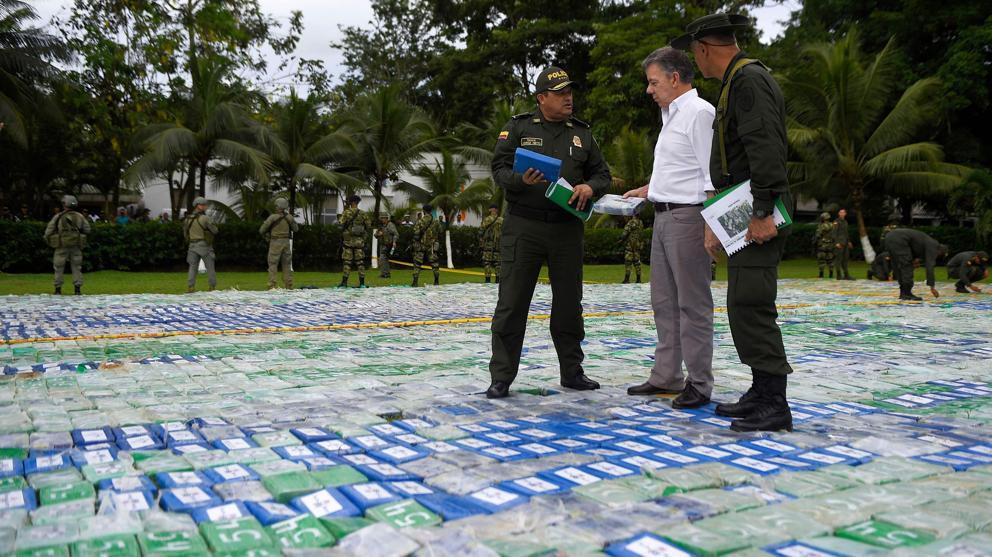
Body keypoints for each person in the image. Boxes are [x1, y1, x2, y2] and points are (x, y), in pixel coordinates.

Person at [673, 13, 793, 431]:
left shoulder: (747, 80)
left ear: (704, 49)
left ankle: (774, 402)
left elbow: (766, 147)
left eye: (695, 52)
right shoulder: (736, 82)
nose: (696, 60)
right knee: (743, 302)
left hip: (757, 210)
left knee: (753, 303)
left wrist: (761, 212)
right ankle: (762, 390)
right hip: (743, 208)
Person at [486, 65, 612, 399]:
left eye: (570, 92)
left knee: (569, 305)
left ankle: (572, 372)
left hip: (566, 228)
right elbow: (497, 168)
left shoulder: (582, 134)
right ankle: (501, 377)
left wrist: (589, 187)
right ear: (542, 98)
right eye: (560, 93)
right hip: (523, 227)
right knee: (512, 303)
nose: (568, 98)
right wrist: (519, 180)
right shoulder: (519, 127)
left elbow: (603, 174)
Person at [621, 47, 715, 408]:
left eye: (653, 82)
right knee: (664, 302)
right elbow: (682, 169)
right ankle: (667, 375)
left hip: (688, 218)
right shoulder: (671, 115)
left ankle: (699, 382)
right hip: (663, 215)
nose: (649, 90)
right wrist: (651, 189)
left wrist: (709, 225)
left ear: (675, 79)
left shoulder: (698, 113)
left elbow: (709, 175)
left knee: (693, 303)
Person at [44, 195, 91, 295]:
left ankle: (58, 289)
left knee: (58, 267)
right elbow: (87, 229)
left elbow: (49, 230)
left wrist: (48, 239)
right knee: (77, 267)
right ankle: (77, 289)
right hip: (76, 246)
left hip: (61, 246)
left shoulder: (58, 216)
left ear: (65, 204)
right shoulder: (80, 216)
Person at [882, 228, 947, 300]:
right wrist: (932, 286)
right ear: (940, 251)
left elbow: (913, 250)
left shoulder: (925, 241)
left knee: (898, 265)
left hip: (889, 237)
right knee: (906, 266)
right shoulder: (934, 245)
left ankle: (903, 293)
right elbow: (930, 266)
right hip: (900, 239)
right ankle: (906, 293)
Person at [260, 198, 298, 289]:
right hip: (286, 243)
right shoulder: (289, 217)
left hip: (275, 242)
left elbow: (261, 230)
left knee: (272, 264)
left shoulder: (272, 217)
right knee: (287, 264)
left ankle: (272, 285)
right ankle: (288, 285)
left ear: (278, 206)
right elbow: (296, 229)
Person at [183, 197, 218, 293]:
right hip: (204, 245)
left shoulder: (187, 219)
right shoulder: (205, 218)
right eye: (204, 205)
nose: (205, 207)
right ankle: (212, 287)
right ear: (199, 206)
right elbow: (215, 230)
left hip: (192, 246)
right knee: (210, 267)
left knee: (192, 267)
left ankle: (190, 287)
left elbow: (185, 234)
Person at [339, 195, 370, 288]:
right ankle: (362, 283)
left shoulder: (346, 212)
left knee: (347, 262)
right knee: (360, 262)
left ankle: (344, 282)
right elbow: (368, 225)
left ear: (352, 202)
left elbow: (341, 223)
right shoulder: (363, 213)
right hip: (359, 242)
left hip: (348, 241)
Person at [411, 204, 440, 287]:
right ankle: (436, 281)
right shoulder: (436, 221)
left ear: (424, 211)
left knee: (417, 264)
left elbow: (416, 233)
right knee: (434, 263)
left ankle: (415, 282)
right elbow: (440, 231)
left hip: (421, 245)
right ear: (431, 211)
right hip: (432, 245)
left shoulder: (420, 221)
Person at [479, 204, 501, 283]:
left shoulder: (487, 219)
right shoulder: (501, 220)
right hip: (498, 245)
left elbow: (481, 231)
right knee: (498, 263)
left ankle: (487, 280)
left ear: (491, 210)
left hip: (488, 244)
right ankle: (498, 280)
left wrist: (481, 242)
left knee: (487, 262)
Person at [620, 214, 644, 284]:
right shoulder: (640, 222)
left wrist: (621, 240)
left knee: (628, 261)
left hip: (630, 245)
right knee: (637, 262)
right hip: (637, 245)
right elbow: (641, 234)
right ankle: (638, 279)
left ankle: (627, 279)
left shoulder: (631, 222)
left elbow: (625, 233)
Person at [832, 208, 854, 280]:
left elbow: (846, 233)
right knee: (838, 259)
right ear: (839, 214)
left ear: (845, 214)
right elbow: (834, 233)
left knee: (845, 259)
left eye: (843, 212)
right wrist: (836, 243)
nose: (842, 213)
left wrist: (849, 241)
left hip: (845, 243)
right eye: (840, 212)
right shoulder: (836, 221)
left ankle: (846, 275)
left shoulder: (845, 222)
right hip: (839, 243)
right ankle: (838, 275)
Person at [375, 214, 398, 279]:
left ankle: (385, 274)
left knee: (383, 259)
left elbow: (396, 234)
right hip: (382, 245)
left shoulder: (390, 225)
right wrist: (378, 234)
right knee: (383, 260)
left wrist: (394, 242)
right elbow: (375, 235)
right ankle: (386, 274)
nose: (382, 219)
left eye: (384, 218)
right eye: (381, 218)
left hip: (388, 245)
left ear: (387, 218)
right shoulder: (381, 226)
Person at [814, 212, 835, 278]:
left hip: (822, 245)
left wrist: (816, 241)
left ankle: (821, 274)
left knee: (821, 260)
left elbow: (818, 235)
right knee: (830, 260)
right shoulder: (833, 225)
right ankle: (831, 274)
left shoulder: (822, 225)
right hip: (830, 245)